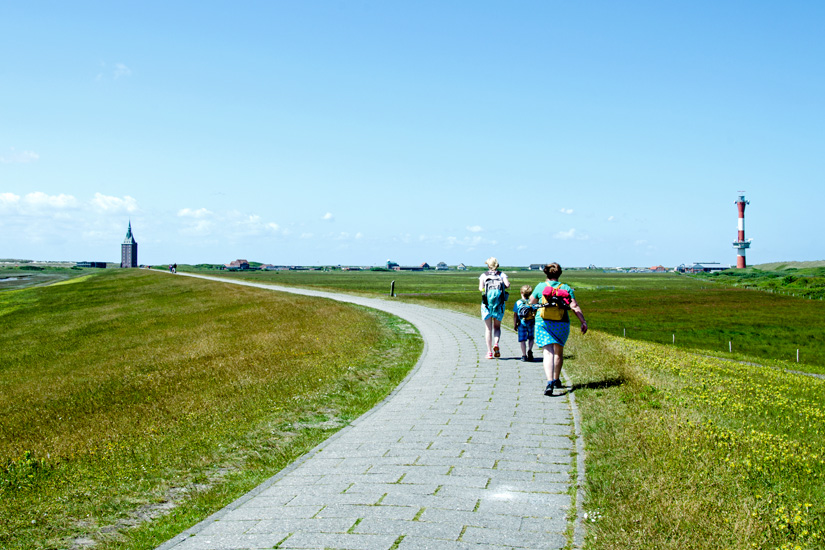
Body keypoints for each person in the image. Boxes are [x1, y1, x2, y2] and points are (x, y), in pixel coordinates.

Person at [529, 262, 587, 395]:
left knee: (547, 353)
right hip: (562, 322)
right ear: (559, 273)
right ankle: (556, 379)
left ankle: (549, 382)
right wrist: (583, 321)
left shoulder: (540, 286)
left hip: (543, 322)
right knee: (558, 352)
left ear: (546, 273)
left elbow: (531, 302)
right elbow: (574, 306)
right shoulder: (565, 287)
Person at [479, 257, 510, 359]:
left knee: (488, 329)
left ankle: (489, 352)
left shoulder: (484, 275)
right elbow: (507, 285)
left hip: (487, 304)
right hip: (499, 304)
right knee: (497, 327)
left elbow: (480, 288)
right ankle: (496, 343)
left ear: (488, 265)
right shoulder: (501, 274)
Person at [513, 285, 536, 362]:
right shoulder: (532, 302)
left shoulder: (518, 302)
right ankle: (530, 350)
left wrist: (515, 324)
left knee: (522, 340)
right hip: (531, 322)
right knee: (531, 338)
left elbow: (515, 315)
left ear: (522, 292)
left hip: (521, 322)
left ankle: (524, 355)